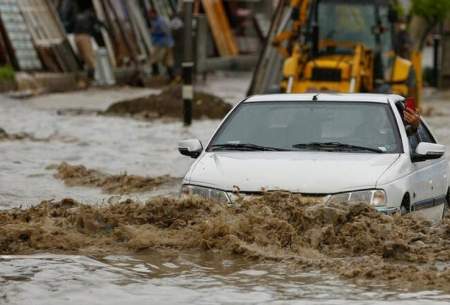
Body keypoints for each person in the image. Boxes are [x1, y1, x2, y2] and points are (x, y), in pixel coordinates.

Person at [148, 9, 175, 80]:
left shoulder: (160, 21)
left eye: (150, 14)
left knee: (153, 58)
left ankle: (156, 74)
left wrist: (154, 32)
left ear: (154, 13)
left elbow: (166, 31)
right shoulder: (157, 21)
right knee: (167, 60)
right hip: (167, 43)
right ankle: (172, 76)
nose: (149, 16)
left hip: (162, 43)